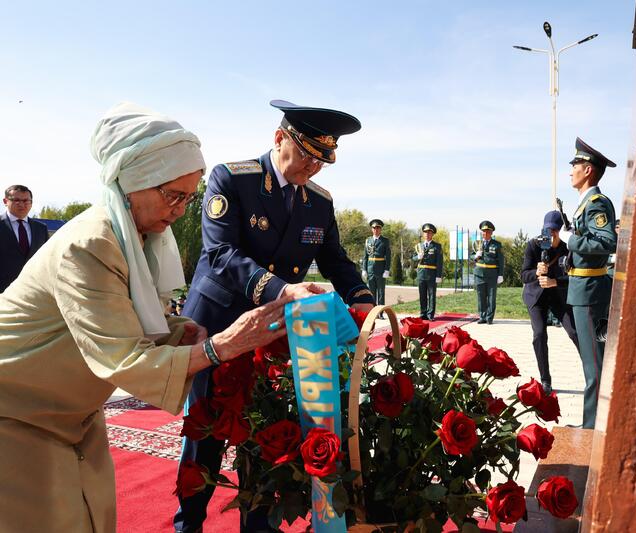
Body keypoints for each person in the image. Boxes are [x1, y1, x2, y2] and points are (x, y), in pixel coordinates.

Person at [0, 103, 289, 533]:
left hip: (72, 411)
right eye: (172, 195)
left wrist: (174, 331)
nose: (178, 209)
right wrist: (222, 345)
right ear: (133, 182)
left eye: (188, 199)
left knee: (94, 517)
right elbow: (123, 357)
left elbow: (120, 317)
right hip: (20, 415)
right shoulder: (91, 243)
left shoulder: (138, 236)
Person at [175, 99, 375, 533]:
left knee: (266, 434)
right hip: (219, 324)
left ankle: (258, 525)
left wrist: (361, 298)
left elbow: (336, 260)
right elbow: (221, 253)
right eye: (306, 154)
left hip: (273, 335)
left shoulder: (318, 202)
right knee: (207, 436)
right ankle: (188, 523)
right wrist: (284, 290)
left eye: (323, 160)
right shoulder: (232, 179)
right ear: (279, 137)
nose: (313, 168)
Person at [563, 137, 618, 429]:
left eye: (575, 165)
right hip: (582, 290)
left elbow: (608, 241)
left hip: (590, 293)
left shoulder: (596, 202)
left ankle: (592, 429)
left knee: (594, 366)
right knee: (592, 363)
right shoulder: (586, 203)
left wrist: (568, 239)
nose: (570, 170)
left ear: (588, 170)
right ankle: (591, 423)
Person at [521, 211, 580, 395]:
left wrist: (556, 281)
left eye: (555, 230)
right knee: (539, 335)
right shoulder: (533, 245)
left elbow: (575, 276)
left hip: (557, 295)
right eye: (548, 230)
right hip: (536, 296)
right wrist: (536, 273)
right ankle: (545, 380)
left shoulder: (568, 246)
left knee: (574, 331)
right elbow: (524, 275)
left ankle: (594, 374)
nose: (551, 234)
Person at [1, 185, 49, 292]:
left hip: (33, 292)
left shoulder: (41, 229)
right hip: (3, 293)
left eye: (26, 200)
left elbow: (46, 260)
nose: (22, 204)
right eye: (16, 200)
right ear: (5, 201)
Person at [471, 220, 504, 324]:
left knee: (491, 297)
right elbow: (471, 256)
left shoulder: (497, 245)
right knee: (481, 296)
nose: (485, 233)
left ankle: (489, 318)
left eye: (487, 231)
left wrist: (500, 275)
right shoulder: (477, 243)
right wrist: (475, 256)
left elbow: (501, 260)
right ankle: (482, 316)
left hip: (492, 274)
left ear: (491, 233)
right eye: (483, 231)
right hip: (479, 274)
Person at [413, 223, 443, 320]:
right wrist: (418, 257)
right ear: (423, 234)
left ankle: (430, 314)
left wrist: (438, 275)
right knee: (422, 295)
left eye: (429, 233)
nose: (427, 234)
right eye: (425, 232)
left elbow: (439, 262)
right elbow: (413, 258)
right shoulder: (419, 246)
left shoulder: (437, 246)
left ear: (432, 234)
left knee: (431, 295)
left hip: (432, 274)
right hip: (421, 273)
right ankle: (423, 313)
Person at [362, 218, 391, 307]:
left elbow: (388, 256)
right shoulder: (368, 240)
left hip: (381, 269)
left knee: (381, 292)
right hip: (370, 269)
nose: (376, 230)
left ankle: (380, 312)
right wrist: (364, 269)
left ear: (380, 229)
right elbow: (365, 256)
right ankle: (373, 311)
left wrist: (387, 270)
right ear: (372, 229)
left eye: (378, 228)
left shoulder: (385, 241)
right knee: (371, 292)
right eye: (374, 228)